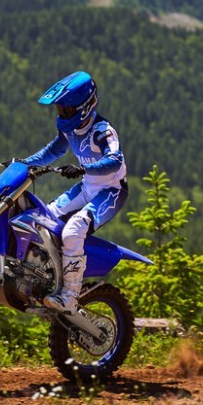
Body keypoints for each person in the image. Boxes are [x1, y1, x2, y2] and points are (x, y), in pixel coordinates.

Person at [19, 70, 128, 313]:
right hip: (87, 186)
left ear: (85, 105)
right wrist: (23, 164)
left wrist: (82, 167)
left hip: (110, 191)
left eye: (66, 109)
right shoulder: (70, 129)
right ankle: (45, 279)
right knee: (41, 219)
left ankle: (69, 296)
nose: (62, 114)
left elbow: (116, 161)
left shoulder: (103, 130)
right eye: (60, 110)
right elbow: (53, 151)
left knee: (73, 231)